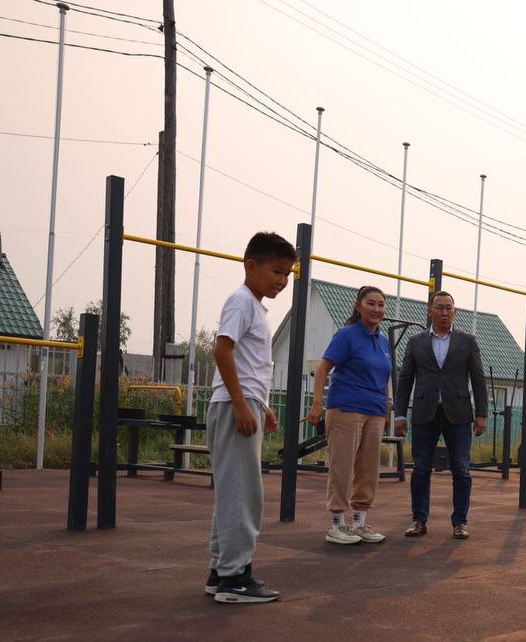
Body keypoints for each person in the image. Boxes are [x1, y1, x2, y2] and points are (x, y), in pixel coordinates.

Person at [205, 232, 294, 604]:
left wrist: (261, 404)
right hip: (233, 405)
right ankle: (234, 578)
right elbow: (222, 351)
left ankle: (221, 571)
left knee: (234, 491)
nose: (282, 281)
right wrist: (242, 404)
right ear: (250, 266)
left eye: (287, 274)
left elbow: (247, 363)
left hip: (242, 402)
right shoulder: (242, 302)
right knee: (244, 494)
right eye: (276, 271)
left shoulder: (254, 305)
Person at [394, 291, 488, 540]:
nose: (445, 312)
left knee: (461, 469)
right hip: (425, 413)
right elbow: (405, 380)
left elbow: (478, 379)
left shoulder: (468, 341)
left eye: (449, 308)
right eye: (440, 308)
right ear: (430, 311)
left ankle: (459, 522)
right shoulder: (416, 342)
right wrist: (399, 415)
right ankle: (419, 520)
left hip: (458, 414)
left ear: (454, 312)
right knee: (421, 469)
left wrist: (482, 414)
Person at [306, 285, 393, 545]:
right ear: (358, 307)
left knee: (368, 470)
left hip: (374, 410)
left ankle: (359, 523)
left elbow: (385, 377)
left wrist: (387, 407)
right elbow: (323, 368)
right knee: (342, 467)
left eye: (380, 304)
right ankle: (337, 525)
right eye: (371, 304)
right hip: (346, 408)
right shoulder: (346, 336)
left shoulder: (384, 340)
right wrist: (317, 403)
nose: (376, 309)